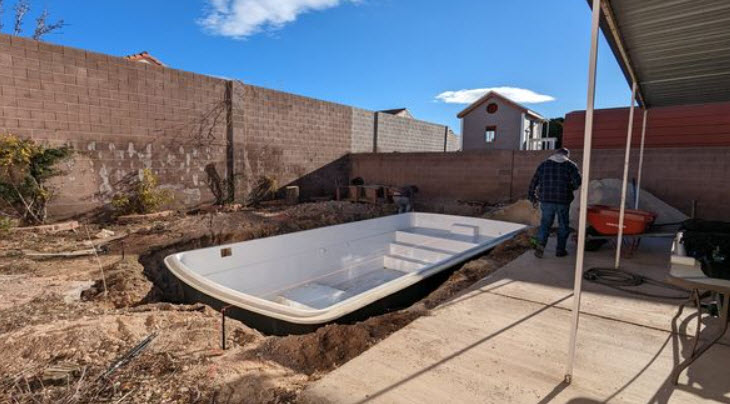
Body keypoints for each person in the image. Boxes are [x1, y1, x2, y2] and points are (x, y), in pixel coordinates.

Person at [527, 147, 582, 258]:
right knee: (563, 225)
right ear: (566, 155)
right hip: (563, 200)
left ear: (555, 154)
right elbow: (578, 182)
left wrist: (531, 196)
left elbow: (534, 182)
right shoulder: (571, 165)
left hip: (546, 200)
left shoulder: (543, 165)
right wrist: (569, 187)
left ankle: (540, 248)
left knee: (545, 225)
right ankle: (560, 250)